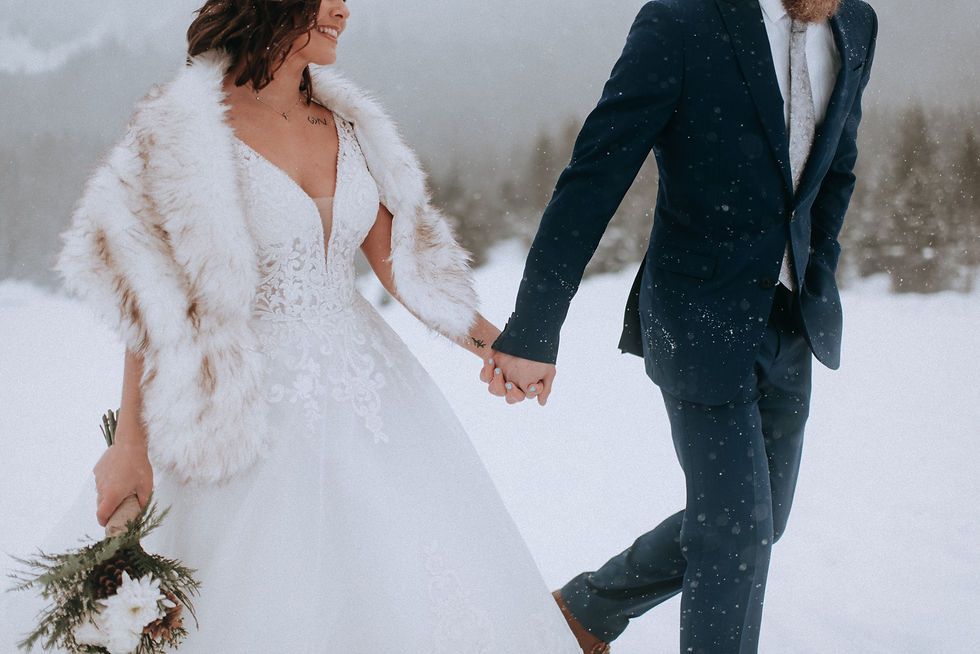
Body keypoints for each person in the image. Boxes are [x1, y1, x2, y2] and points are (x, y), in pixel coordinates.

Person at [30, 0, 580, 651]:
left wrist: (500, 345)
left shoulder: (347, 123)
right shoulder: (185, 130)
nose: (345, 10)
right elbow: (154, 304)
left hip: (372, 395)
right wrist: (129, 443)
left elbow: (400, 264)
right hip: (237, 407)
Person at [484, 0, 877, 652]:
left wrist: (815, 275)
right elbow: (595, 176)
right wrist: (533, 329)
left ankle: (586, 608)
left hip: (791, 323)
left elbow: (838, 167)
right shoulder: (683, 21)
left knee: (760, 520)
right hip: (697, 319)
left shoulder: (855, 23)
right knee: (734, 533)